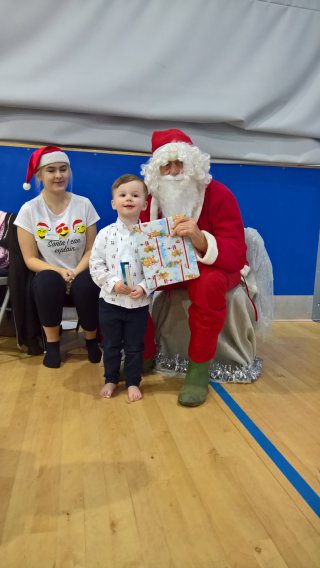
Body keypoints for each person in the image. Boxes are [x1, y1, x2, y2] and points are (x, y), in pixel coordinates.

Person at [140, 129, 248, 407]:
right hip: (169, 268)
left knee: (208, 285)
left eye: (181, 163)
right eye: (167, 164)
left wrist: (201, 240)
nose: (174, 171)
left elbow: (236, 253)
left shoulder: (220, 195)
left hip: (210, 267)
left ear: (194, 165)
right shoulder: (148, 200)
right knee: (132, 281)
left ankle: (198, 370)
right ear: (156, 170)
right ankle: (144, 352)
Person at [14, 145, 101, 368]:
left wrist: (75, 271)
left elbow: (93, 250)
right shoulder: (29, 210)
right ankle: (52, 345)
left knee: (88, 282)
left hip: (81, 271)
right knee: (46, 281)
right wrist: (60, 271)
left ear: (69, 172)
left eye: (63, 169)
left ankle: (91, 341)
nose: (58, 175)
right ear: (39, 175)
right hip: (50, 278)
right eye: (51, 170)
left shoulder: (84, 205)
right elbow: (30, 259)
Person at [89, 174, 151, 402]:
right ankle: (111, 378)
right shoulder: (105, 235)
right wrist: (113, 283)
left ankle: (134, 381)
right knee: (111, 344)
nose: (129, 199)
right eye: (123, 195)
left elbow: (158, 270)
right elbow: (95, 265)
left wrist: (145, 287)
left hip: (138, 304)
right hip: (110, 303)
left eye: (135, 195)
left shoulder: (150, 236)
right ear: (113, 203)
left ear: (144, 204)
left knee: (135, 346)